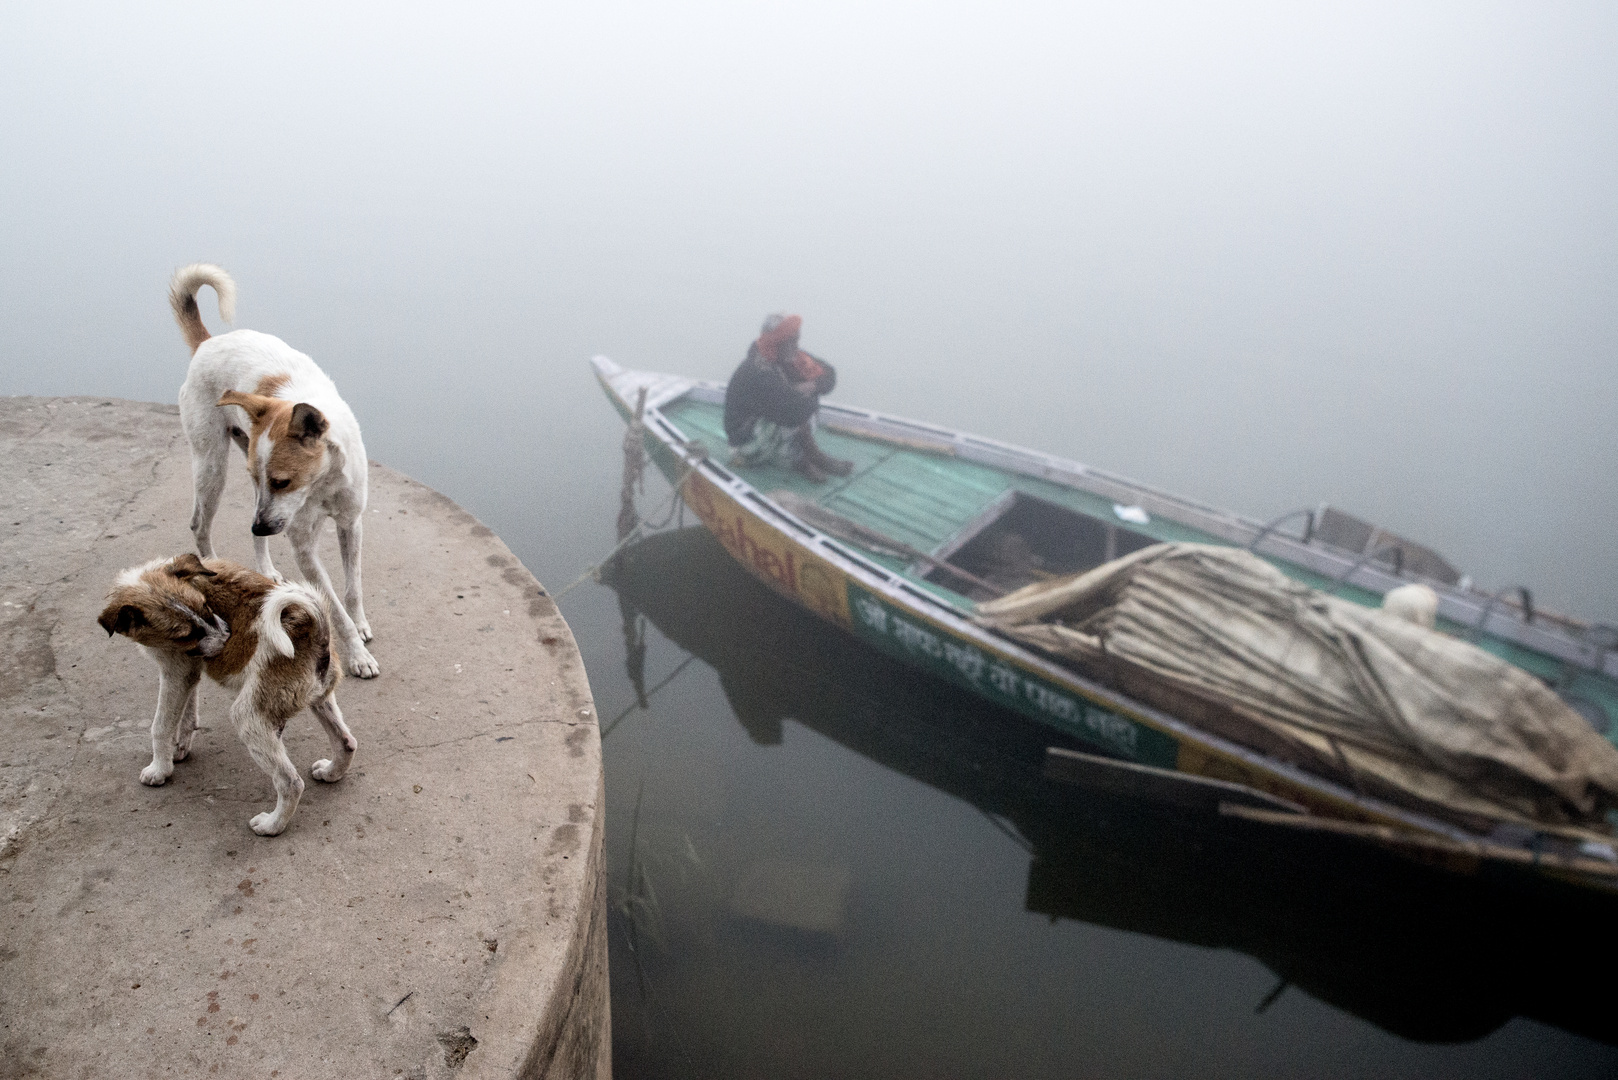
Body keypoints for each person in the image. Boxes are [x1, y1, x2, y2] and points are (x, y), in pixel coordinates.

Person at [723, 313, 854, 481]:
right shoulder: (758, 371)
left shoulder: (791, 357)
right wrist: (804, 391)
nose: (796, 345)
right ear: (777, 342)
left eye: (796, 338)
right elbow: (794, 414)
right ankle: (804, 460)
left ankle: (809, 456)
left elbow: (829, 374)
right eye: (791, 340)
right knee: (796, 408)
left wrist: (813, 385)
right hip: (746, 443)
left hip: (772, 428)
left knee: (802, 398)